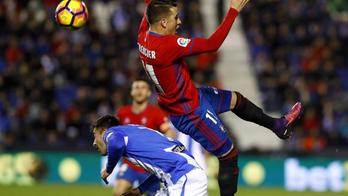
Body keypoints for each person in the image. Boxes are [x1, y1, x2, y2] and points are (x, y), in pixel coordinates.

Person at [137, 0, 303, 195]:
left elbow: (150, 9)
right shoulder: (167, 45)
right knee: (229, 155)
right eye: (175, 18)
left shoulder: (143, 37)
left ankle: (278, 125)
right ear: (163, 23)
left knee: (236, 100)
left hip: (191, 96)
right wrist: (233, 11)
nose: (179, 22)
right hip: (190, 112)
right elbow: (212, 44)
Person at [92, 114, 208, 196]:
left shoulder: (112, 132)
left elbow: (117, 144)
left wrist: (108, 170)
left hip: (184, 179)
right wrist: (141, 189)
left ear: (102, 131)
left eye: (95, 135)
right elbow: (163, 169)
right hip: (183, 175)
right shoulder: (134, 131)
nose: (94, 142)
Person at [114, 79, 175, 196]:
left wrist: (166, 147)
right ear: (131, 92)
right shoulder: (122, 113)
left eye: (143, 88)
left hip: (150, 166)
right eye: (136, 87)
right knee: (118, 193)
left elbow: (169, 132)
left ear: (148, 93)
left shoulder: (156, 113)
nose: (139, 91)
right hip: (130, 164)